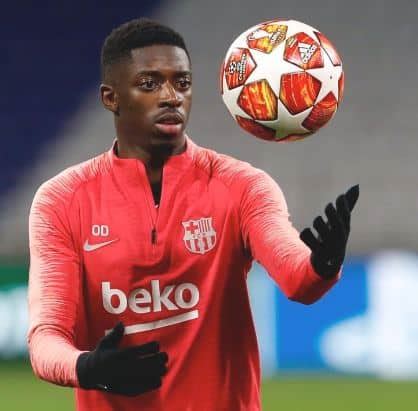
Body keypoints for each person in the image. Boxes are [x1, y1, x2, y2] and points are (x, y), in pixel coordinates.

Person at [27, 18, 359, 411]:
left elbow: (298, 281)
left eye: (182, 83)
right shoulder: (62, 200)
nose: (171, 97)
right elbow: (46, 337)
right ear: (110, 97)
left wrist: (322, 265)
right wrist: (86, 367)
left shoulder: (242, 185)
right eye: (149, 84)